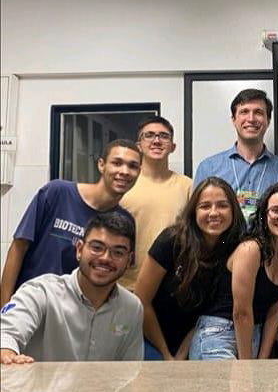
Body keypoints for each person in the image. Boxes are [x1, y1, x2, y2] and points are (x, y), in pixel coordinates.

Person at [0, 140, 140, 305]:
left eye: (132, 166)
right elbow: (18, 248)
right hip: (29, 305)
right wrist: (5, 307)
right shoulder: (57, 192)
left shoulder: (124, 221)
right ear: (101, 165)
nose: (124, 171)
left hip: (76, 316)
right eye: (117, 163)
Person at [1, 212, 143, 363]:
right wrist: (6, 353)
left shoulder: (132, 308)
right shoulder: (41, 292)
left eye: (118, 253)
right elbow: (6, 332)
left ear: (129, 260)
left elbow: (130, 371)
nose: (105, 258)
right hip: (41, 387)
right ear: (80, 250)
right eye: (97, 247)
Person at [189, 182, 278, 360]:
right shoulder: (250, 249)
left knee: (254, 385)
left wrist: (261, 359)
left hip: (253, 333)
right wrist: (247, 367)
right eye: (275, 210)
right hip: (218, 332)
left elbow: (276, 310)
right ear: (264, 215)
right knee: (238, 386)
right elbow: (241, 313)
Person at [134, 177, 246, 361]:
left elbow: (208, 314)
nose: (214, 213)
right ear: (193, 211)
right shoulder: (171, 241)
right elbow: (141, 302)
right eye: (205, 206)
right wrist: (165, 354)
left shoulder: (238, 251)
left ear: (234, 210)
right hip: (150, 336)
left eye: (222, 205)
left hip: (197, 338)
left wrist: (180, 355)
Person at [193, 88, 278, 222]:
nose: (251, 119)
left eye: (258, 112)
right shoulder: (209, 168)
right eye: (244, 112)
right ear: (233, 120)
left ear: (268, 120)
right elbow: (197, 217)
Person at [119, 116, 192, 290]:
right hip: (126, 284)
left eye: (164, 136)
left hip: (171, 285)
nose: (157, 141)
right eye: (149, 135)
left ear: (173, 147)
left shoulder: (188, 186)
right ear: (139, 145)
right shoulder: (123, 184)